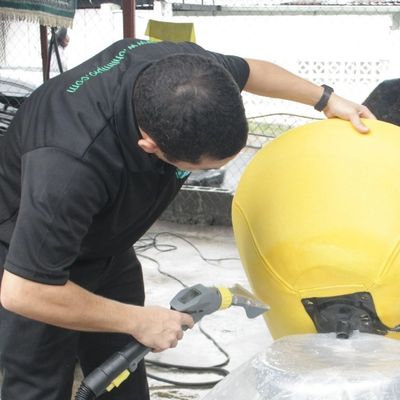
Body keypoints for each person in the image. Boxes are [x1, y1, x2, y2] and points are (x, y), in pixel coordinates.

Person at [0, 38, 374, 400]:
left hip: (106, 242)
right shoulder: (67, 165)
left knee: (122, 372)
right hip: (33, 255)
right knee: (39, 382)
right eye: (200, 169)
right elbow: (24, 291)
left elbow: (252, 70)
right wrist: (136, 320)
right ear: (150, 145)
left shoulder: (189, 71)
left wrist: (326, 99)